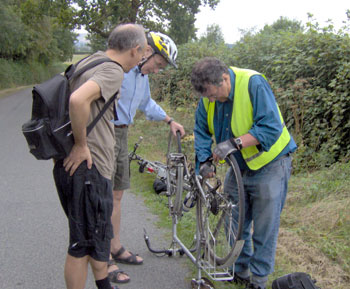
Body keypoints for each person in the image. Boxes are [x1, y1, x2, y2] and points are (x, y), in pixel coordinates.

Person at [53, 23, 147, 289]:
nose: (140, 60)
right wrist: (82, 145)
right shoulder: (112, 70)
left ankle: (104, 283)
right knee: (81, 244)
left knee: (95, 234)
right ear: (135, 49)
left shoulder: (90, 61)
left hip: (72, 166)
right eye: (142, 54)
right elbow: (77, 101)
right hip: (88, 168)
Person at [191, 57, 297, 289]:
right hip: (239, 168)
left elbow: (270, 126)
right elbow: (200, 128)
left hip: (271, 165)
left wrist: (234, 143)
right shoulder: (209, 97)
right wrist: (204, 160)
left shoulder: (253, 84)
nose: (211, 100)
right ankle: (240, 271)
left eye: (213, 94)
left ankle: (258, 281)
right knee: (233, 219)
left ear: (225, 78)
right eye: (206, 96)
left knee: (264, 228)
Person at [107, 31, 185, 284]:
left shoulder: (141, 76)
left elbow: (147, 103)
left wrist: (169, 119)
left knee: (117, 194)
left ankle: (114, 246)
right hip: (105, 133)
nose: (158, 70)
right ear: (146, 51)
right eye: (159, 64)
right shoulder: (119, 69)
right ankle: (102, 258)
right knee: (103, 197)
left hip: (122, 134)